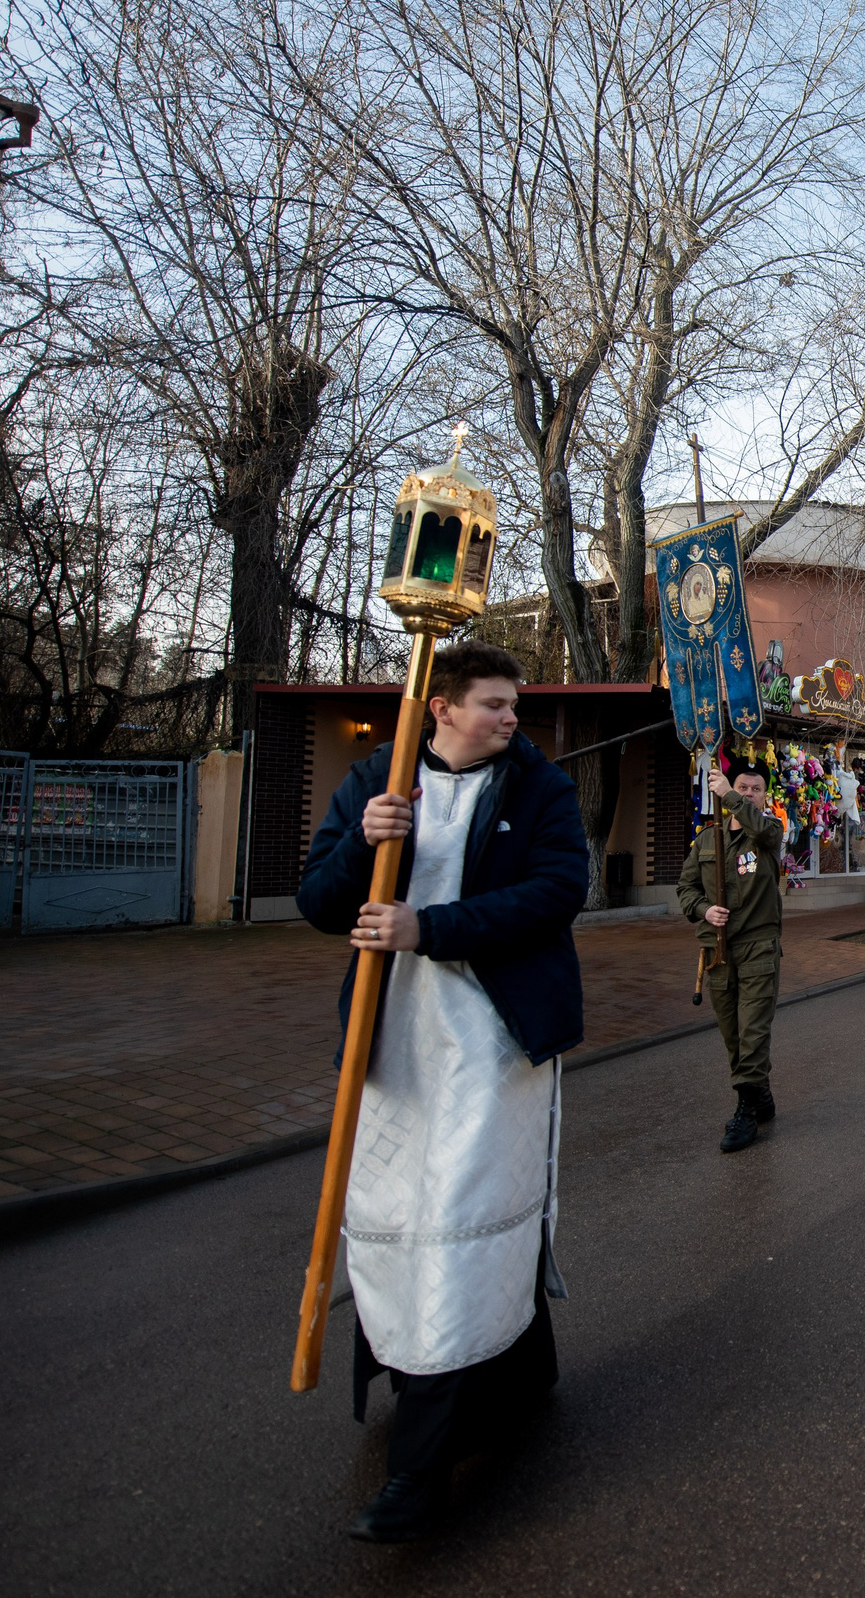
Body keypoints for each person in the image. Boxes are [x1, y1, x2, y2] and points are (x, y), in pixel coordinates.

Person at [296, 640, 587, 1544]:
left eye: (513, 704)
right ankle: (516, 1362)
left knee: (458, 1225)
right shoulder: (374, 782)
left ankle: (418, 1476)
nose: (510, 718)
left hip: (490, 1046)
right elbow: (318, 898)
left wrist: (431, 925)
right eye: (494, 704)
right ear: (443, 709)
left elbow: (556, 891)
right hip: (393, 1046)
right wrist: (365, 845)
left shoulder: (541, 788)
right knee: (393, 1216)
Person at [678, 763, 786, 1151]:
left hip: (758, 946)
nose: (751, 793)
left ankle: (745, 1109)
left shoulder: (768, 834)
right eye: (744, 786)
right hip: (718, 951)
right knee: (732, 1033)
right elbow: (685, 888)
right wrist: (704, 910)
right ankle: (760, 1091)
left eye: (757, 789)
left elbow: (762, 826)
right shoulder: (707, 841)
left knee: (753, 1028)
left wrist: (730, 795)